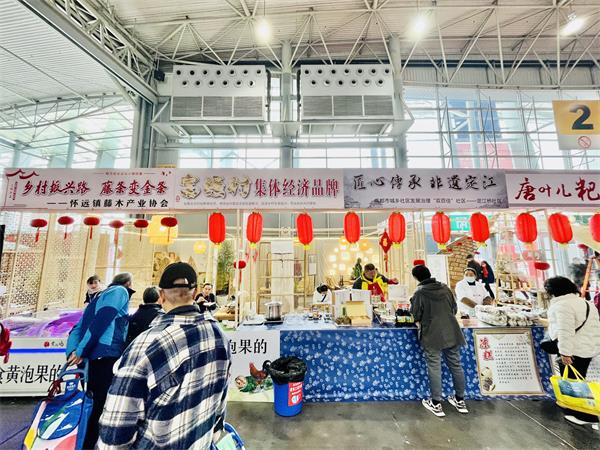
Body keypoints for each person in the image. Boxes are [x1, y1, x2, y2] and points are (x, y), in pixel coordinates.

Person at [98, 263, 231, 449]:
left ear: (161, 296)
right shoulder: (219, 336)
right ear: (195, 293)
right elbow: (220, 403)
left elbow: (114, 431)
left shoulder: (145, 346)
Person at [66, 272, 134, 449]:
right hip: (105, 356)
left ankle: (84, 443)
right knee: (100, 407)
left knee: (92, 404)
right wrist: (80, 350)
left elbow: (78, 327)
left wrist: (73, 351)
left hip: (92, 360)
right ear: (128, 283)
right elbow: (101, 321)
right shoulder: (119, 292)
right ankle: (91, 444)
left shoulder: (97, 298)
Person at [409, 265, 468, 418]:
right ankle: (460, 400)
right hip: (451, 330)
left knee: (434, 366)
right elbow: (454, 309)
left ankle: (436, 403)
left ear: (416, 278)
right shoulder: (445, 288)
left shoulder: (420, 292)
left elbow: (415, 314)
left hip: (432, 332)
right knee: (456, 364)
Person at [544, 276, 600, 429]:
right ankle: (581, 411)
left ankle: (583, 415)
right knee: (578, 380)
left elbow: (565, 331)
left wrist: (565, 353)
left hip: (573, 350)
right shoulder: (586, 303)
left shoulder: (562, 305)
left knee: (572, 383)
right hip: (587, 349)